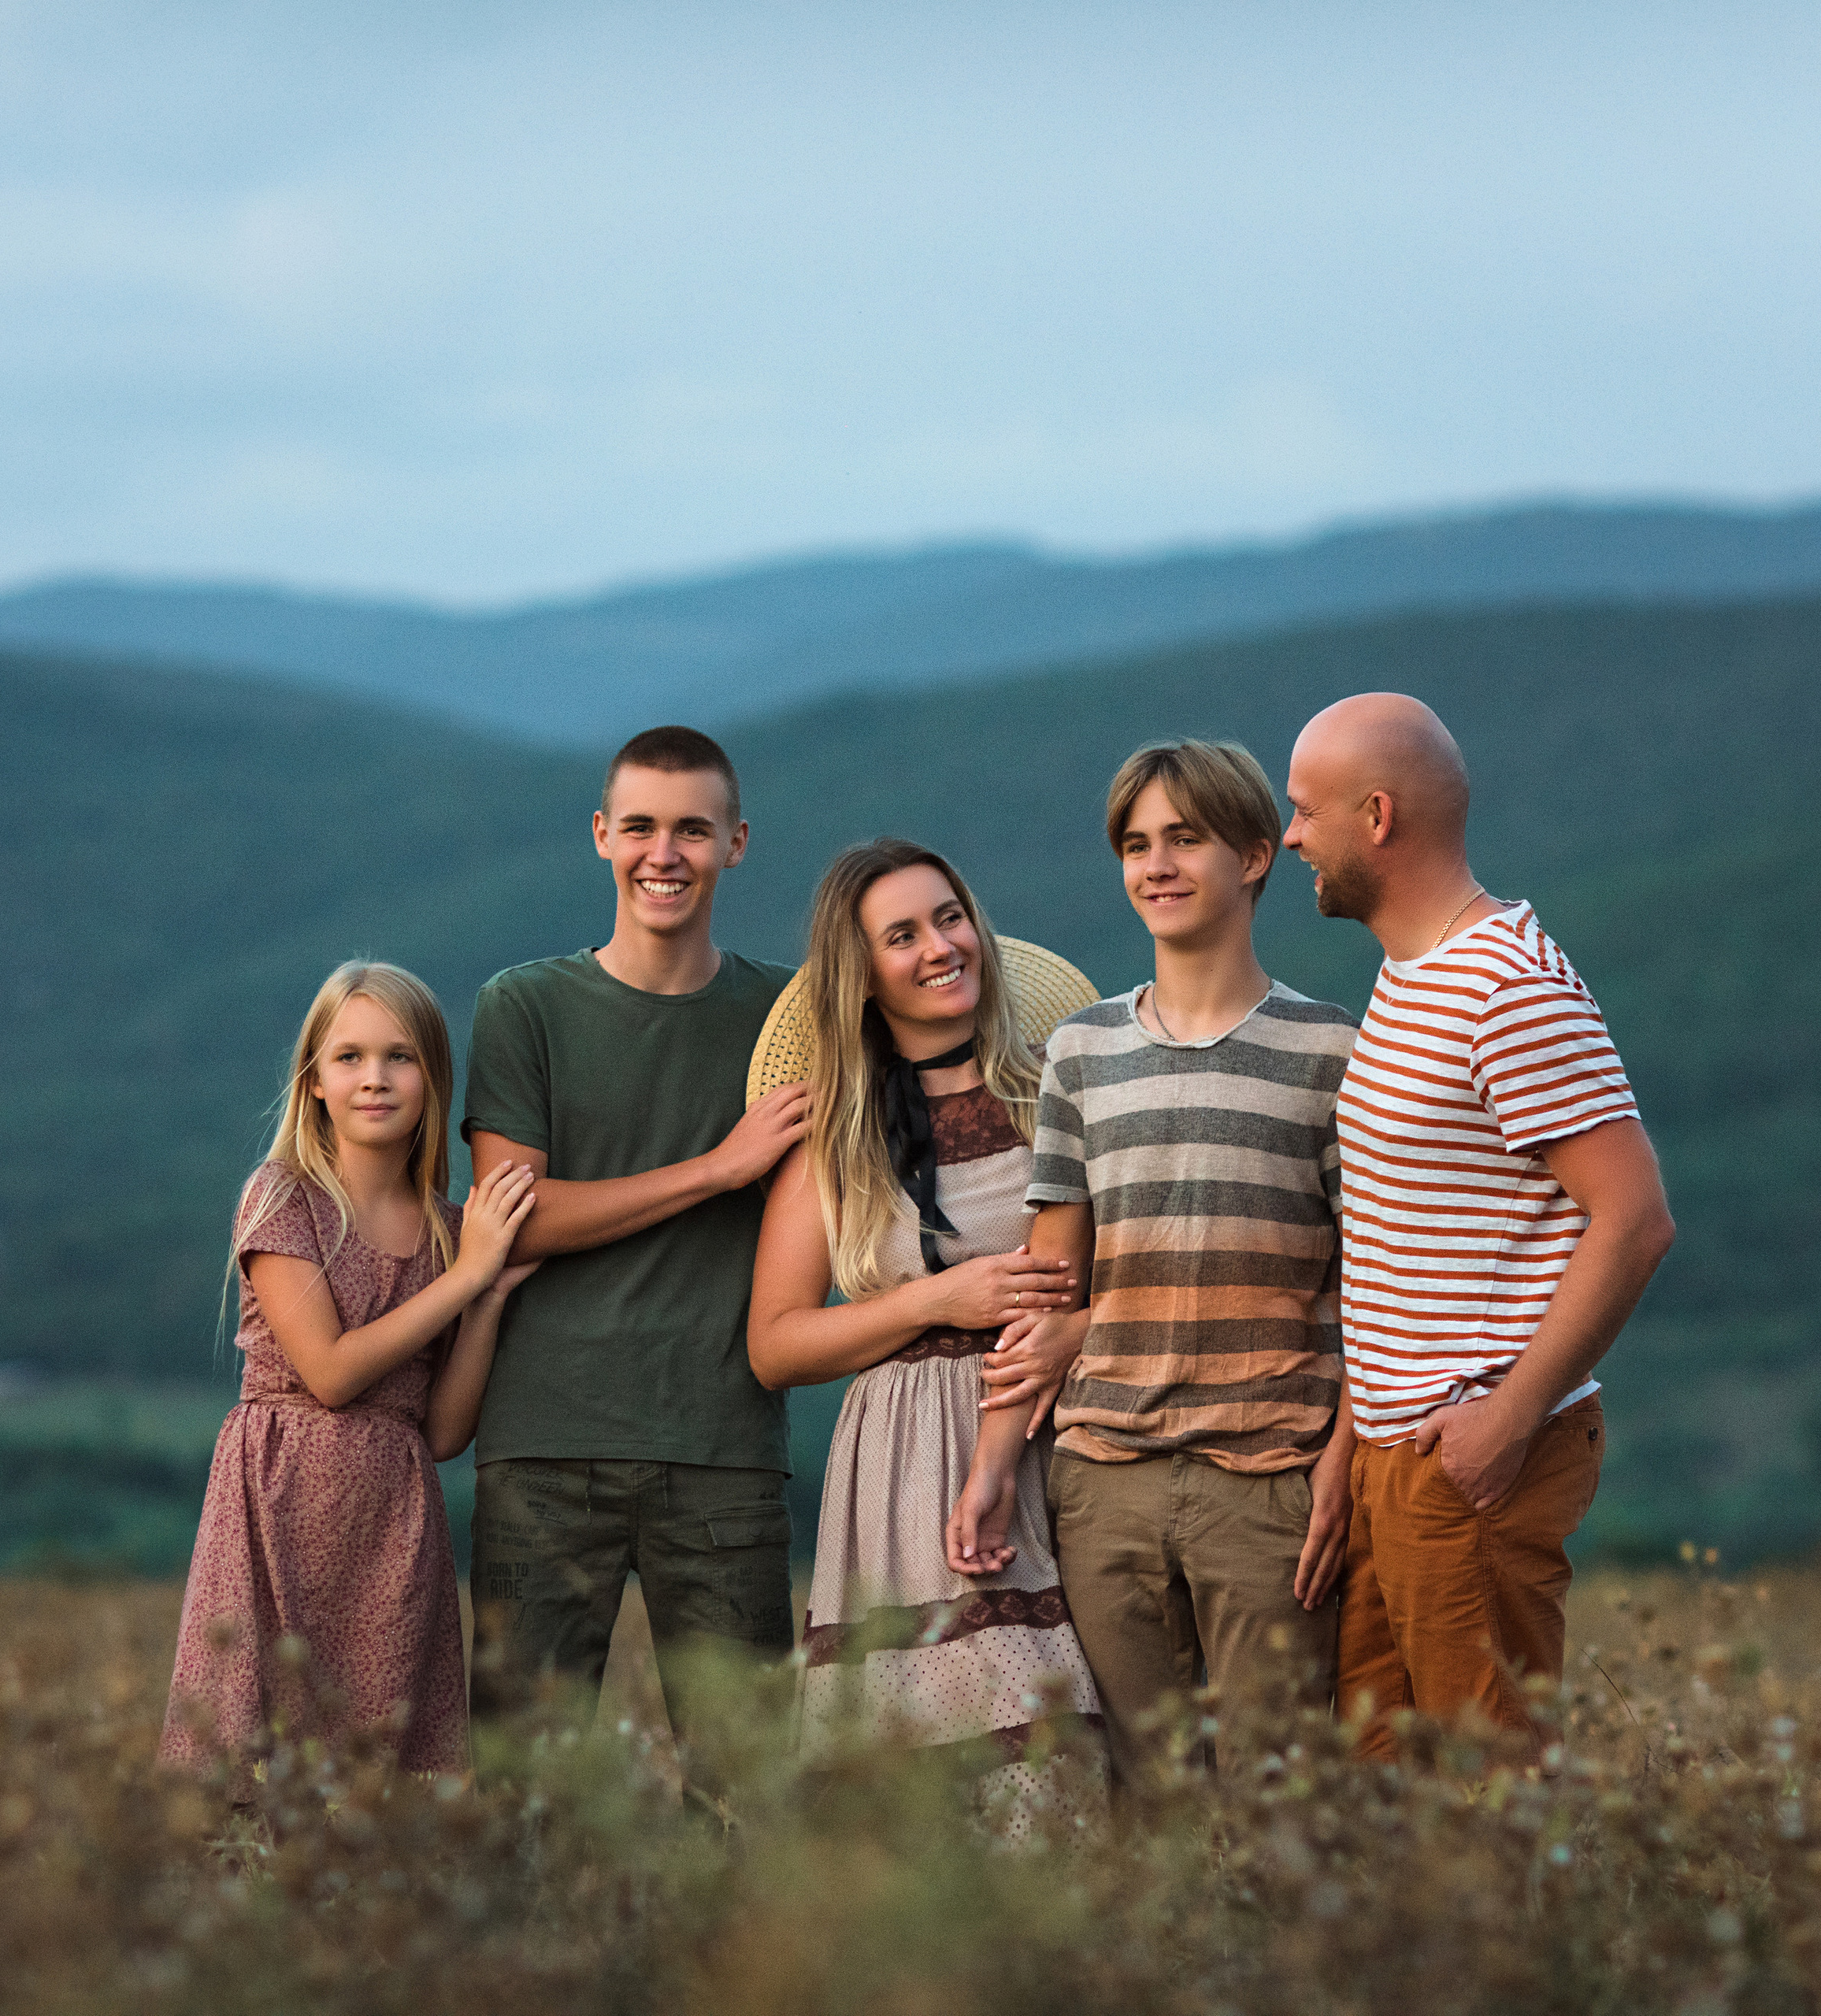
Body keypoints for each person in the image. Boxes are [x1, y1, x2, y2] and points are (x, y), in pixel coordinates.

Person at [948, 741, 1357, 1791]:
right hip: (1104, 1481)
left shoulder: (1331, 1051)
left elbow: (1369, 1285)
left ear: (1255, 855)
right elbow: (1050, 1289)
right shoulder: (1082, 1052)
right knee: (1146, 1798)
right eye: (1136, 845)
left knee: (1280, 1795)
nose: (1156, 865)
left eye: (1185, 838)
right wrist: (993, 1468)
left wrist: (1341, 1464)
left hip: (1268, 1478)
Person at [1282, 691, 1675, 1755]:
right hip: (1397, 1454)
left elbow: (1636, 1219)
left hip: (1471, 1452)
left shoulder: (1507, 988)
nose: (1290, 836)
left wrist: (1507, 1420)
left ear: (1377, 816)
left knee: (1487, 1787)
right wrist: (1359, 1441)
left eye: (1305, 809)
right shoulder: (1416, 972)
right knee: (1382, 1788)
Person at [461, 726, 809, 1751]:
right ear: (602, 835)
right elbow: (511, 1213)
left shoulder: (791, 1013)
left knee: (746, 1783)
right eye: (642, 827)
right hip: (542, 1445)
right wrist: (718, 1169)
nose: (665, 853)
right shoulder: (524, 1005)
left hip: (724, 1447)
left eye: (692, 829)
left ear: (736, 843)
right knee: (525, 1781)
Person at [747, 839, 1105, 1831]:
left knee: (1057, 1747)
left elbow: (1130, 1275)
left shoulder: (1057, 1096)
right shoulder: (836, 1137)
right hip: (900, 1474)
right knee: (919, 1781)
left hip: (1054, 1444)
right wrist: (932, 1302)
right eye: (902, 935)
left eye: (949, 918)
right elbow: (775, 1344)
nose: (940, 947)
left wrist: (1071, 1328)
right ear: (862, 975)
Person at [161, 961, 536, 1781]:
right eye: (350, 1057)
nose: (375, 1077)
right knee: (258, 1772)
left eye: (401, 1057)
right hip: (278, 1507)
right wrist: (468, 1277)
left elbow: (442, 1432)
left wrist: (486, 1300)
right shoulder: (280, 1197)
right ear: (315, 1080)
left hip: (395, 1528)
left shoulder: (448, 1230)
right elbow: (329, 1375)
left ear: (434, 1079)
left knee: (380, 1783)